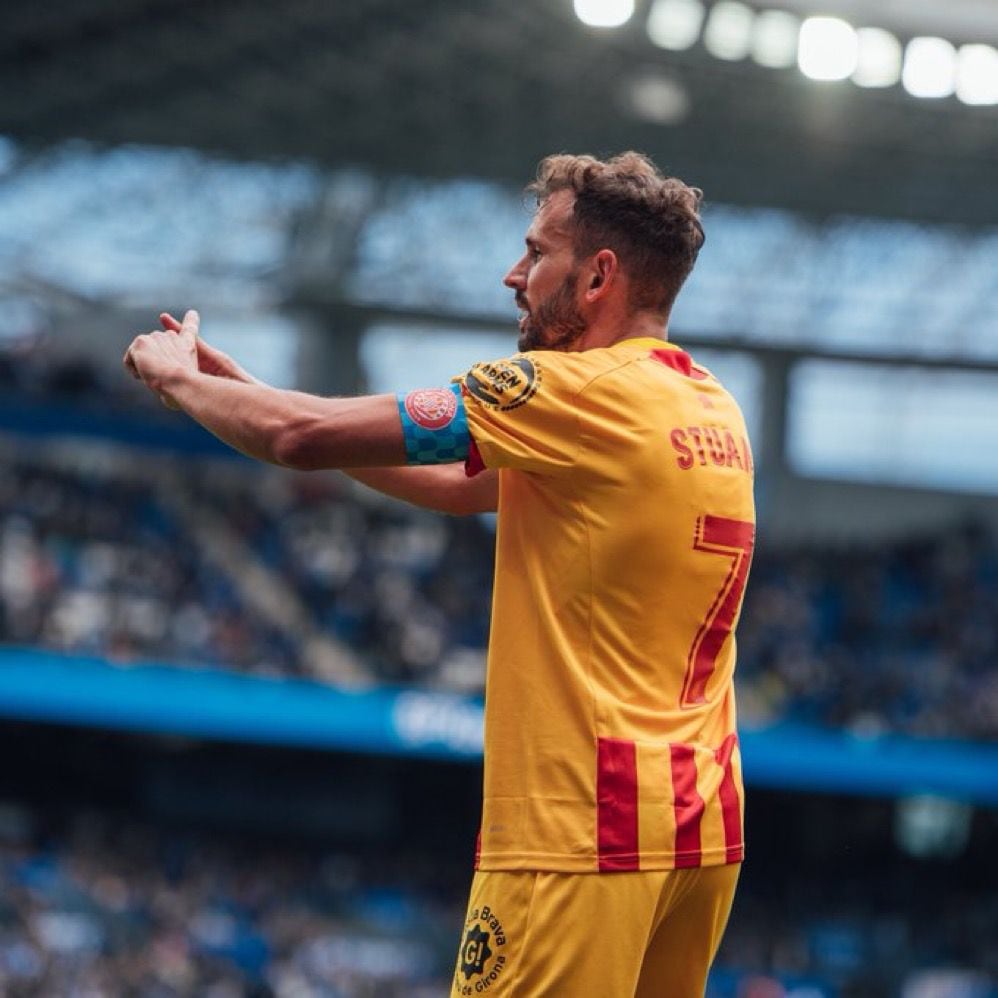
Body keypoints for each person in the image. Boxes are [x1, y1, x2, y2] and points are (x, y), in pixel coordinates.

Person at [125, 151, 755, 997]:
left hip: (577, 838)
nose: (514, 274)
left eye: (537, 253)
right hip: (696, 835)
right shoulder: (707, 405)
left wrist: (178, 382)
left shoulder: (569, 392)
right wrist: (251, 391)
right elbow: (461, 485)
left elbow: (297, 440)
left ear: (599, 274)